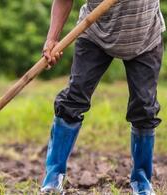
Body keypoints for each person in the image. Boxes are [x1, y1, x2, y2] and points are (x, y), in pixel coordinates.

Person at [41, 0, 165, 194]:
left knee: (144, 108)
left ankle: (142, 182)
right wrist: (52, 39)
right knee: (73, 100)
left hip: (145, 37)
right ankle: (52, 178)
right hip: (95, 34)